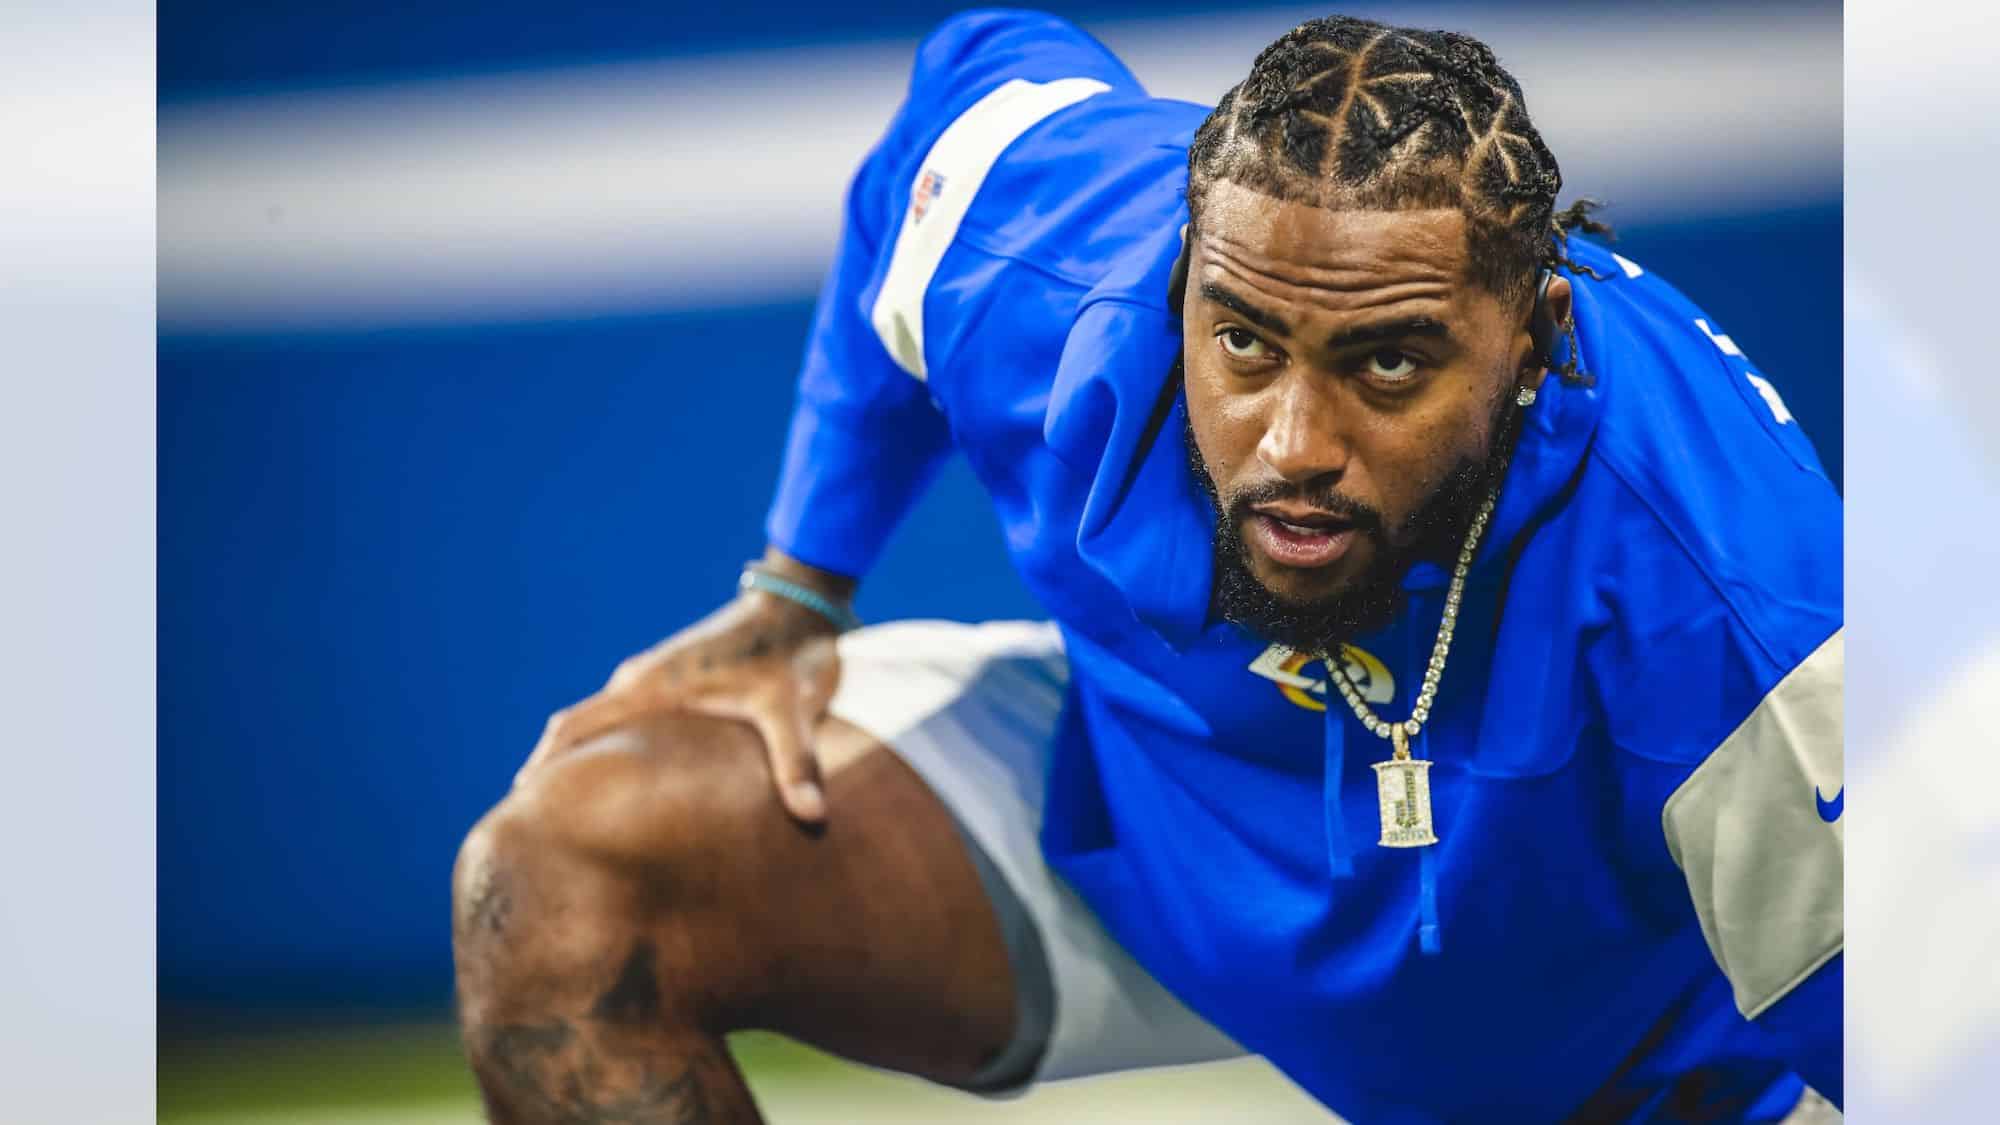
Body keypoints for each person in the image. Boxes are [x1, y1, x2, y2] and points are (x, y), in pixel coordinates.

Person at [451, 11, 1843, 1122]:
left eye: (1391, 360)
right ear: (1183, 280)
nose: (1294, 444)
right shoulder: (1047, 251)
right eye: (1243, 342)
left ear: (1535, 340)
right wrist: (797, 588)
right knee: (563, 878)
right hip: (1141, 825)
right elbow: (946, 114)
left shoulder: (1734, 597)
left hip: (1608, 1048)